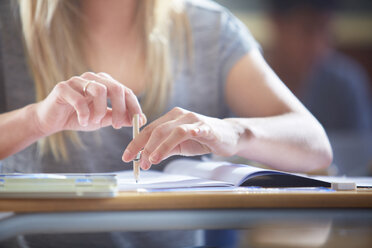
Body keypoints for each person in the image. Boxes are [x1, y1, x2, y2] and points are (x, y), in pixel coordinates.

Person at [0, 0, 332, 247]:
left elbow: (315, 145)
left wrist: (233, 132)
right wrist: (34, 120)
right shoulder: (8, 24)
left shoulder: (208, 29)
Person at [266, 0, 372, 132]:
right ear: (277, 23)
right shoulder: (246, 78)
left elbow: (359, 148)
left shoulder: (345, 85)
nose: (318, 45)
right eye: (307, 29)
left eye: (325, 29)